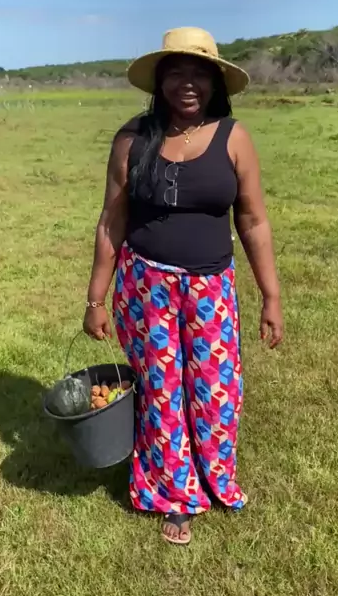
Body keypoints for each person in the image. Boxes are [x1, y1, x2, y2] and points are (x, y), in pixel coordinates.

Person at [83, 27, 283, 545]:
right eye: (177, 73)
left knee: (217, 391)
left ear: (215, 82)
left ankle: (215, 478)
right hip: (145, 287)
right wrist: (95, 297)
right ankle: (174, 494)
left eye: (199, 73)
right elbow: (111, 221)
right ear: (160, 80)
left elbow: (254, 221)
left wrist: (271, 296)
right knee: (162, 391)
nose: (188, 83)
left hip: (210, 289)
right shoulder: (132, 139)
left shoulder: (233, 138)